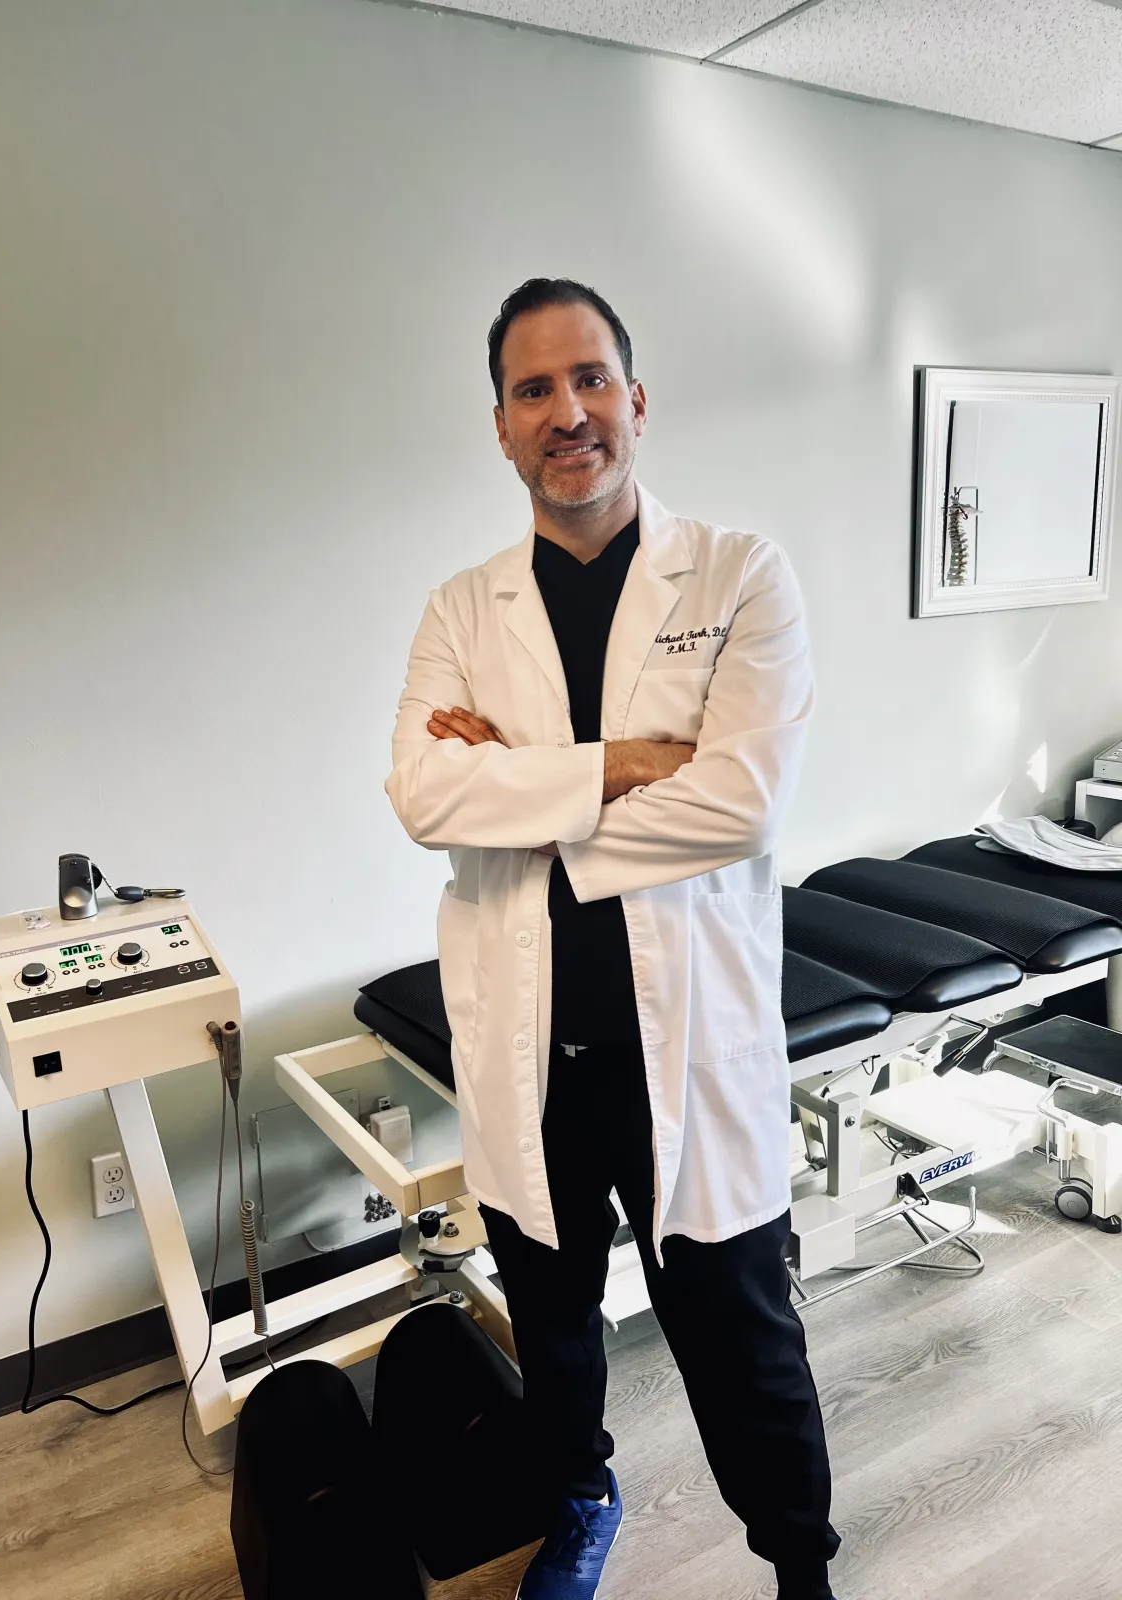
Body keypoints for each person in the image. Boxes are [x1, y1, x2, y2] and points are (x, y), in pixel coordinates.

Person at [386, 278, 840, 1600]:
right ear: (501, 426)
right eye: (533, 389)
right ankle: (581, 1501)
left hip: (687, 1049)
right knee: (553, 1321)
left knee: (743, 1337)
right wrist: (631, 762)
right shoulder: (460, 611)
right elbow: (424, 797)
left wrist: (524, 792)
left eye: (589, 379)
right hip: (529, 1055)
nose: (566, 411)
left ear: (635, 400)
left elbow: (743, 803)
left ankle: (801, 1568)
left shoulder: (741, 575)